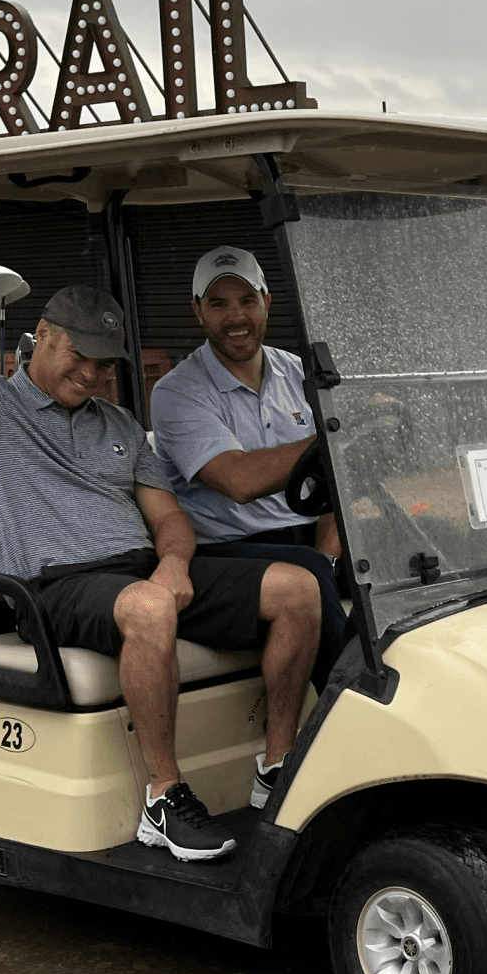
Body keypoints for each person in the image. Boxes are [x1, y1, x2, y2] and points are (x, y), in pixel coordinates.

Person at [0, 188, 323, 863]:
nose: (91, 373)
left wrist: (174, 563)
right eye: (80, 355)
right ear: (45, 335)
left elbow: (168, 516)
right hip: (54, 587)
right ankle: (164, 798)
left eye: (102, 362)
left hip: (140, 574)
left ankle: (276, 766)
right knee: (149, 608)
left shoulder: (117, 422)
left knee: (298, 588)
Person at [147, 244, 351, 800]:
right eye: (218, 304)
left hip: (305, 543)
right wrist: (333, 435)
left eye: (246, 300)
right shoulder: (178, 391)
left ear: (266, 301)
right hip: (225, 551)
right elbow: (236, 479)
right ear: (198, 311)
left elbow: (334, 485)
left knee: (404, 564)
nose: (235, 316)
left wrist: (333, 554)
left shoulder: (297, 373)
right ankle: (345, 738)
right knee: (308, 573)